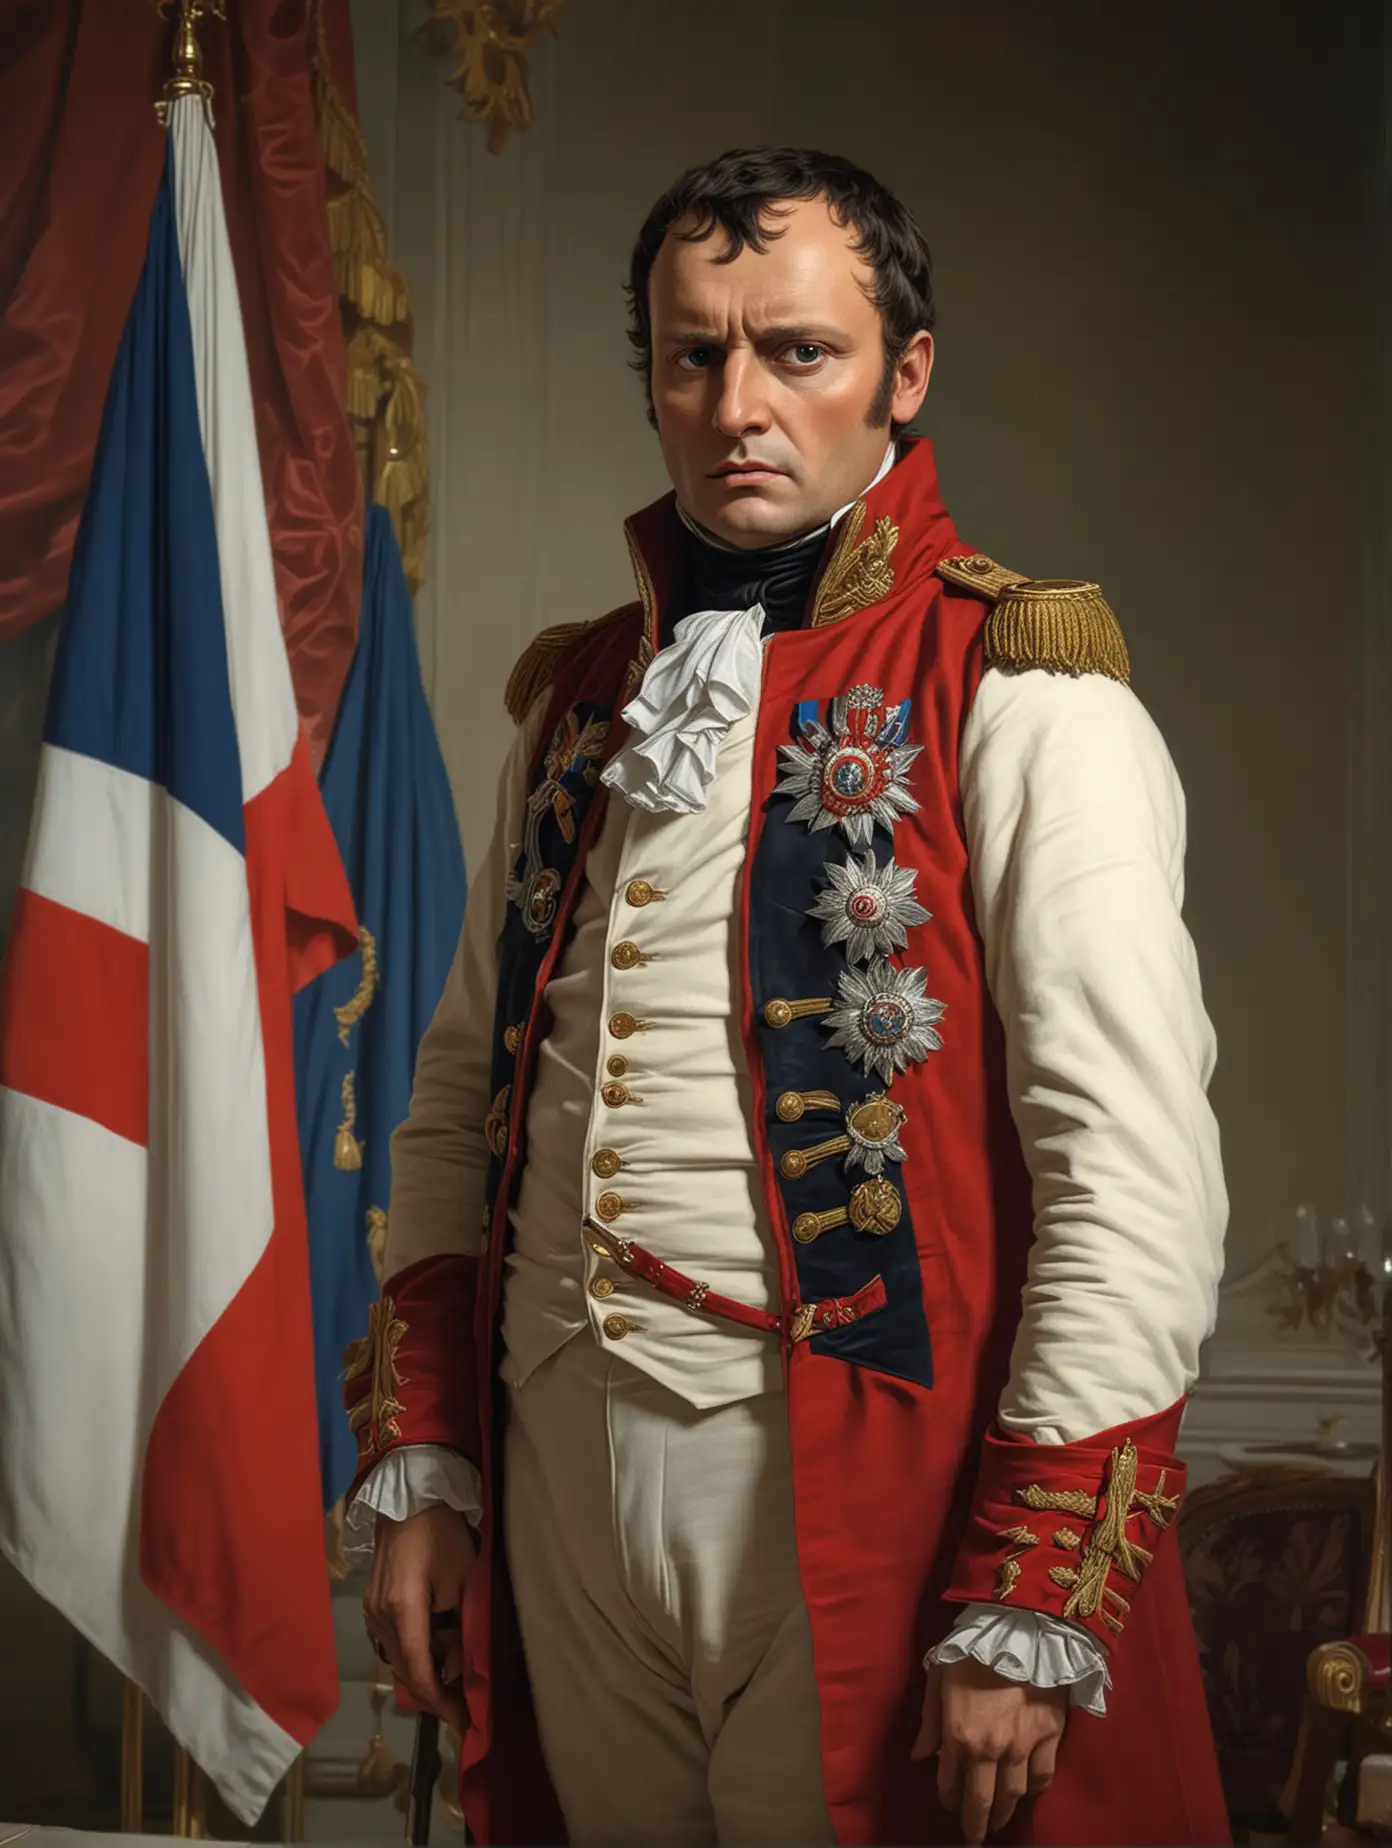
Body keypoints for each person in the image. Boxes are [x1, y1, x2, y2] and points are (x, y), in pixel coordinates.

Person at [344, 146, 1230, 1848]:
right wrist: (431, 1464)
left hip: (848, 1483)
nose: (738, 402)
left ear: (905, 375)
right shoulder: (584, 702)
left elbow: (1133, 1177)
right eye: (693, 355)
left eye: (797, 352)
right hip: (552, 1468)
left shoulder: (1024, 692)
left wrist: (1032, 1580)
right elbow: (460, 1101)